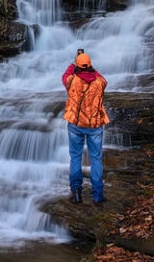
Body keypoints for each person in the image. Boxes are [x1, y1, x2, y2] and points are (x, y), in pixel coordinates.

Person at [62, 51, 109, 205]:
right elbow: (102, 78)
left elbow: (64, 76)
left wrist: (73, 64)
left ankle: (76, 193)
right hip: (94, 125)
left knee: (76, 157)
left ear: (77, 66)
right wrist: (90, 68)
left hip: (76, 124)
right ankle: (98, 195)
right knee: (95, 159)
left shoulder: (72, 81)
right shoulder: (100, 82)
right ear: (90, 66)